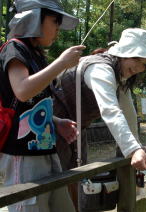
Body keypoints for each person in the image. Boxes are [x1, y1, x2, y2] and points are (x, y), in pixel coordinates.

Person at [52, 28, 146, 206]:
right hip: (51, 126)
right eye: (137, 59)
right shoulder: (101, 69)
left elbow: (128, 111)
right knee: (54, 186)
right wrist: (133, 149)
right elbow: (111, 110)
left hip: (76, 130)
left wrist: (137, 146)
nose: (139, 67)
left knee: (76, 179)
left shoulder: (120, 76)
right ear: (123, 53)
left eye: (144, 63)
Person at [0, 0, 85, 211]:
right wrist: (62, 63)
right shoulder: (14, 49)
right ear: (33, 18)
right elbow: (22, 90)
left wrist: (55, 122)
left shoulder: (36, 54)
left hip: (46, 150)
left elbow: (32, 103)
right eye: (55, 20)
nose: (57, 28)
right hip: (22, 155)